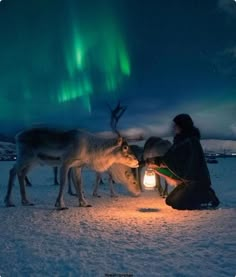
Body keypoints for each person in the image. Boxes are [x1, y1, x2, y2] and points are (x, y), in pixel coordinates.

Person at [146, 113, 220, 210]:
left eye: (176, 125)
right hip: (187, 180)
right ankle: (195, 193)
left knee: (178, 204)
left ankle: (207, 197)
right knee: (170, 201)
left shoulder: (189, 141)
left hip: (195, 181)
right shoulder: (182, 141)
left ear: (182, 126)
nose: (174, 128)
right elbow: (170, 158)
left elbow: (170, 159)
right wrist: (154, 163)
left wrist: (153, 161)